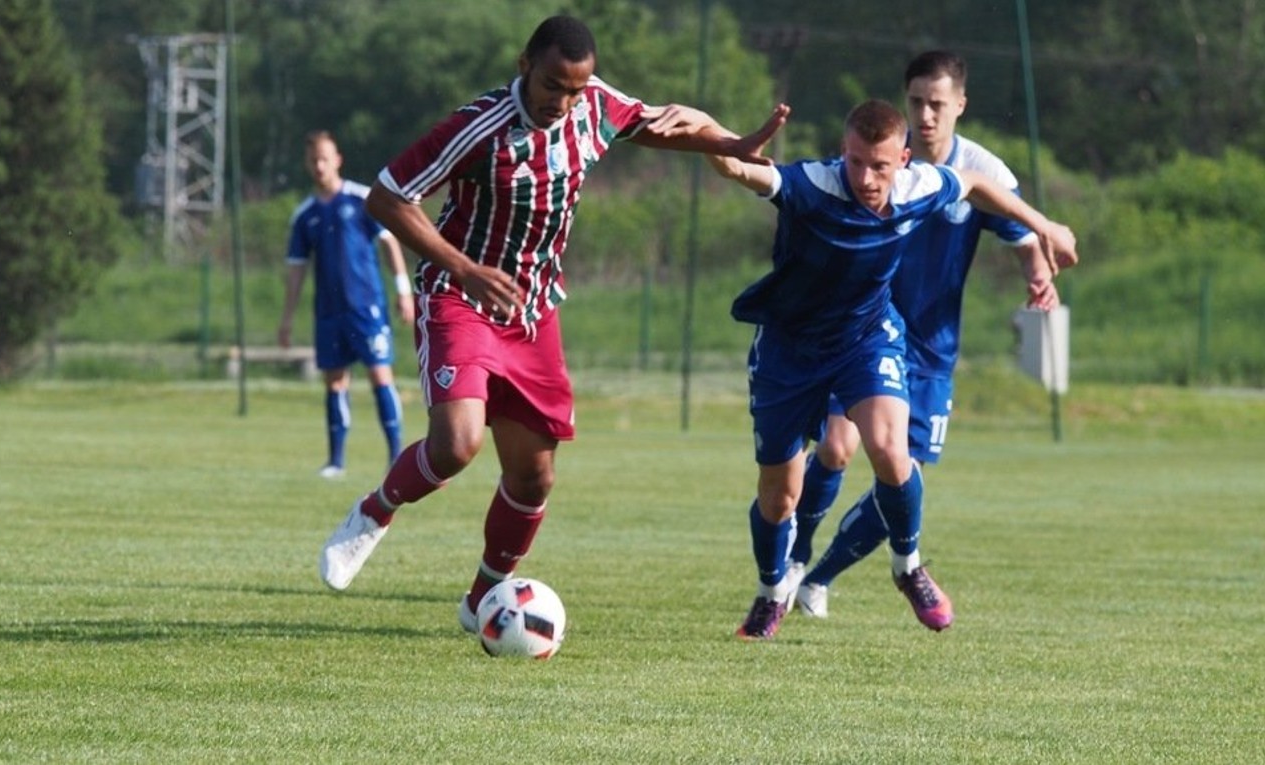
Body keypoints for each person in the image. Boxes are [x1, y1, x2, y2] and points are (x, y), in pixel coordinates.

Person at [315, 15, 788, 631]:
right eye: (552, 85)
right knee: (458, 443)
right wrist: (463, 268)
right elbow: (387, 195)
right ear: (524, 66)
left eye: (574, 88)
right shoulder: (478, 126)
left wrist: (727, 143)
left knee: (534, 476)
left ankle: (482, 597)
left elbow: (654, 125)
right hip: (460, 299)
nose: (562, 101)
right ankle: (374, 512)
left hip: (532, 311)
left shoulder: (592, 106)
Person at [706, 98, 1077, 640]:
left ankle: (908, 566)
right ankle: (771, 592)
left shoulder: (918, 187)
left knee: (889, 448)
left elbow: (972, 182)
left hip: (865, 338)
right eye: (855, 161)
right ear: (843, 152)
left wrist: (1044, 224)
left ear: (903, 159)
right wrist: (730, 151)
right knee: (778, 495)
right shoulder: (814, 184)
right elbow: (742, 170)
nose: (865, 176)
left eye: (879, 165)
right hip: (789, 348)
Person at [278, 130, 416, 478]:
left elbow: (389, 243)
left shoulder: (362, 199)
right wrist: (287, 318)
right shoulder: (305, 215)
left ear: (337, 159)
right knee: (335, 382)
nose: (320, 165)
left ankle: (396, 456)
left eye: (325, 158)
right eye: (313, 160)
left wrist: (403, 290)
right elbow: (296, 271)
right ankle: (336, 461)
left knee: (379, 375)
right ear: (307, 165)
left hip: (366, 308)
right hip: (329, 312)